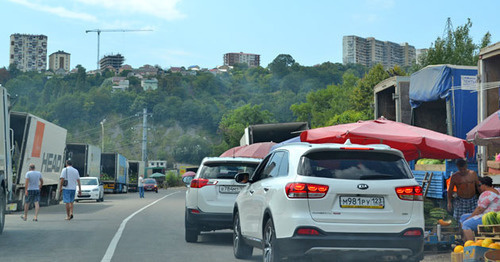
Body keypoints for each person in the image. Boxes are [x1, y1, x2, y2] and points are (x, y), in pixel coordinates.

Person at [460, 176, 500, 241]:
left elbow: (479, 210)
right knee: (463, 217)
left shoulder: (486, 194)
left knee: (465, 224)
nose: (479, 187)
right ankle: (465, 239)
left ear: (484, 185)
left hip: (488, 218)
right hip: (495, 216)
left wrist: (470, 217)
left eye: (479, 185)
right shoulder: (498, 190)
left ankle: (471, 244)